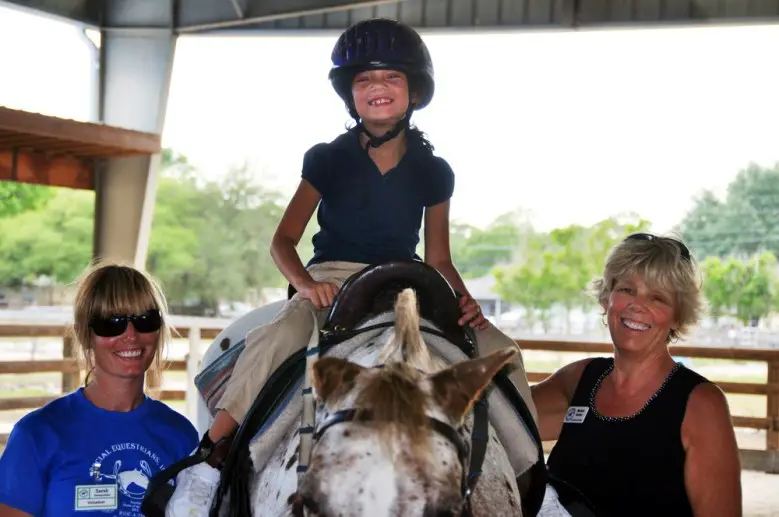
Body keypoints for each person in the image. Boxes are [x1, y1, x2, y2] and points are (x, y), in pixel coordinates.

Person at [166, 17, 538, 517]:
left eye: (391, 78)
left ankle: (537, 480)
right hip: (333, 278)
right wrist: (304, 284)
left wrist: (464, 300)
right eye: (364, 80)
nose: (377, 88)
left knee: (502, 351)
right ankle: (207, 461)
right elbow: (282, 240)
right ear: (350, 94)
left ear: (414, 91)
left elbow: (440, 258)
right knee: (280, 338)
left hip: (410, 281)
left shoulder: (434, 171)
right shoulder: (327, 160)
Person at [533, 233, 742, 517]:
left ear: (678, 317)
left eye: (657, 297)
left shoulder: (701, 405)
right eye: (627, 290)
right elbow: (496, 416)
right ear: (607, 299)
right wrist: (475, 330)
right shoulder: (580, 378)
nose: (637, 305)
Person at [0, 261, 199, 517]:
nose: (131, 335)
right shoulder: (37, 434)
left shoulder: (181, 435)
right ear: (85, 335)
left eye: (145, 320)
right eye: (111, 323)